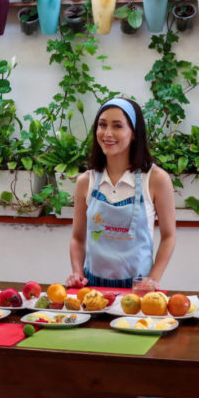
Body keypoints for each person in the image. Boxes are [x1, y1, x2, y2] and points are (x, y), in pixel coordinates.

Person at [66, 96, 176, 291]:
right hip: (92, 291)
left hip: (138, 291)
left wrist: (153, 279)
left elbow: (169, 236)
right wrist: (77, 273)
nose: (107, 133)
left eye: (118, 126)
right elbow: (77, 238)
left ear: (134, 133)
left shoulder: (156, 179)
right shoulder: (86, 181)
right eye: (102, 125)